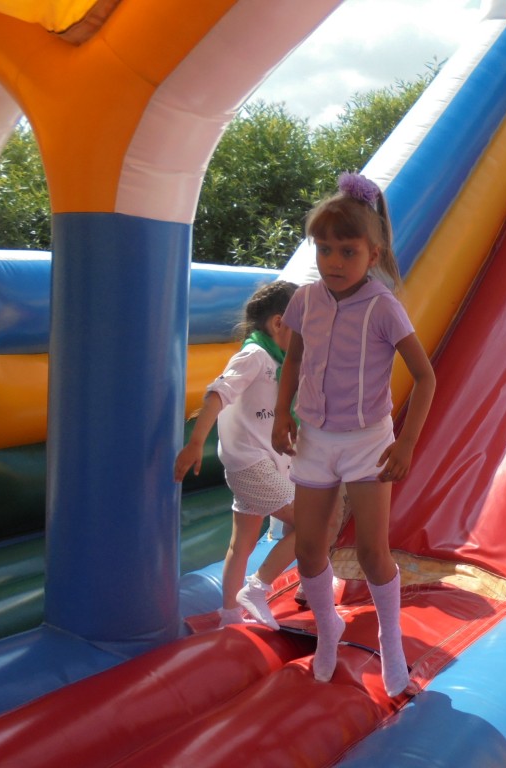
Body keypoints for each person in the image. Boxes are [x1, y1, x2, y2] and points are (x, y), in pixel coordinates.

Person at [272, 172, 436, 697]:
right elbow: (293, 359)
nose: (334, 262)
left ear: (373, 253)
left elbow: (426, 376)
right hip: (316, 438)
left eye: (348, 251)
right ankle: (329, 628)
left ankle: (390, 639)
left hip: (367, 442)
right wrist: (282, 414)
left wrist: (405, 443)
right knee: (309, 549)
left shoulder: (382, 306)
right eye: (324, 249)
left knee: (371, 551)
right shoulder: (305, 300)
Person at [175, 279, 299, 630]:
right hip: (251, 463)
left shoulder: (279, 360)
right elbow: (218, 393)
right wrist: (195, 443)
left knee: (241, 544)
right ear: (278, 323)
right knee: (312, 525)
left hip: (261, 462)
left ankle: (229, 613)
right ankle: (256, 589)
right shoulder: (254, 356)